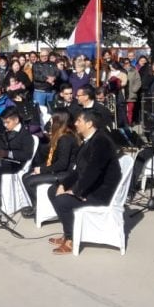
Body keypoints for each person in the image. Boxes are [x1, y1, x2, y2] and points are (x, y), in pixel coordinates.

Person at [47, 109, 121, 255]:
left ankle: (71, 239)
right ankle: (68, 232)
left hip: (100, 192)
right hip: (90, 185)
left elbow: (93, 171)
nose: (75, 124)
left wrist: (76, 191)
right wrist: (64, 184)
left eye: (78, 121)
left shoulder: (101, 142)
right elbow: (78, 170)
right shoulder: (88, 141)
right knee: (52, 190)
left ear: (89, 124)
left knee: (62, 201)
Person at [21, 110, 79, 218]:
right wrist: (41, 167)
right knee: (25, 176)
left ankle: (38, 208)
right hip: (60, 169)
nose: (50, 123)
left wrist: (42, 170)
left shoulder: (66, 139)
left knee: (29, 181)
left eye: (51, 121)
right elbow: (52, 158)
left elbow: (62, 164)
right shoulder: (60, 136)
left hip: (66, 173)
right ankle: (35, 204)